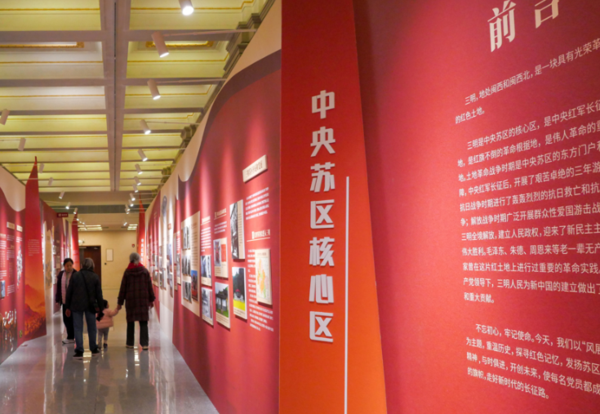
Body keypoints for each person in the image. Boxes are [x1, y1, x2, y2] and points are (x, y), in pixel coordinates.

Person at [65, 258, 104, 359]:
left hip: (76, 305)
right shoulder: (95, 277)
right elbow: (99, 294)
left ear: (82, 265)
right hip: (90, 305)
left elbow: (69, 292)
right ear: (92, 265)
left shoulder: (75, 275)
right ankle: (93, 348)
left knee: (78, 327)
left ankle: (79, 350)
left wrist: (67, 307)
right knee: (92, 327)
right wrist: (101, 308)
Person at [117, 252, 155, 350]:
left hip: (131, 301)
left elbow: (123, 288)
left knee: (130, 322)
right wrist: (151, 300)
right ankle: (144, 344)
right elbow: (149, 287)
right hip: (143, 300)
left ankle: (130, 343)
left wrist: (120, 302)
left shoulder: (127, 272)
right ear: (139, 259)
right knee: (143, 322)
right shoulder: (145, 271)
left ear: (130, 260)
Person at [55, 258, 77, 344]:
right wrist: (57, 300)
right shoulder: (61, 274)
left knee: (72, 319)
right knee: (66, 319)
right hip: (64, 301)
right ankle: (70, 336)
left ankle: (72, 337)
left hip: (73, 302)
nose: (69, 267)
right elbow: (58, 288)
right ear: (64, 266)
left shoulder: (75, 274)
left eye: (71, 265)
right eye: (67, 265)